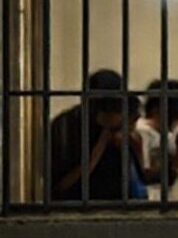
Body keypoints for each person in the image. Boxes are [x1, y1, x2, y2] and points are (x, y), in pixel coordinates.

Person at [51, 70, 148, 201]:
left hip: (120, 205)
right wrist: (101, 145)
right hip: (77, 205)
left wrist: (134, 148)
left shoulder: (122, 121)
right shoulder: (67, 126)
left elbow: (140, 181)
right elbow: (59, 186)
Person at [137, 79, 178, 199]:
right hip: (147, 196)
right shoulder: (142, 132)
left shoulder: (169, 136)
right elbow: (144, 173)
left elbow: (171, 178)